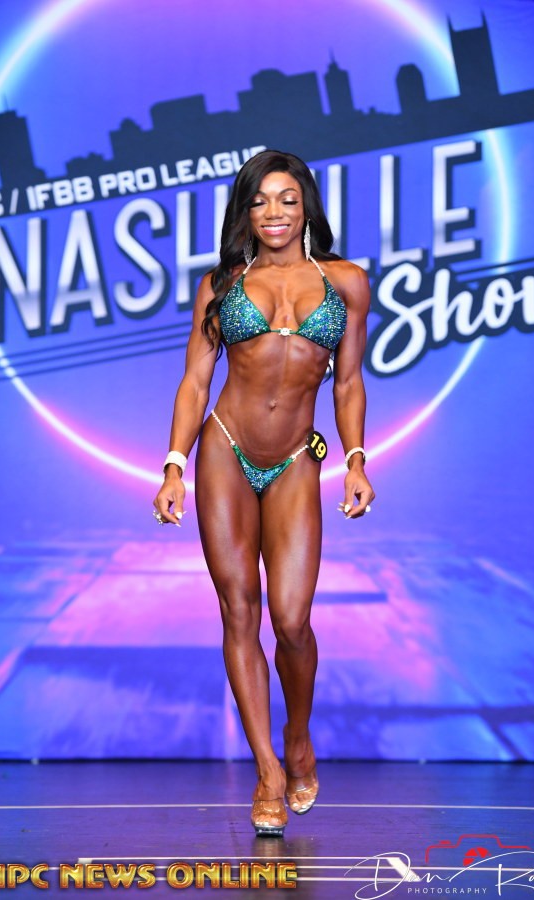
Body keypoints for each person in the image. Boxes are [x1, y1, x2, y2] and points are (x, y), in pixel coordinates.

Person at [153, 149, 375, 838]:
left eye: (286, 199)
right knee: (239, 611)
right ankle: (269, 772)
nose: (273, 212)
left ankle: (298, 735)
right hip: (225, 448)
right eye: (259, 201)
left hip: (296, 460)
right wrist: (174, 466)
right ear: (244, 212)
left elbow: (347, 383)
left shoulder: (346, 282)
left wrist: (356, 460)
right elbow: (195, 381)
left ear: (306, 206)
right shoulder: (222, 284)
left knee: (292, 620)